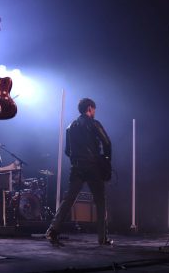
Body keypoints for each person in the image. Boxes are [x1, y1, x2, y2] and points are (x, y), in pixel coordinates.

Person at [45, 98, 112, 246]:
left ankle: (52, 231)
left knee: (68, 200)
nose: (94, 112)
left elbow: (67, 151)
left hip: (76, 167)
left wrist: (77, 159)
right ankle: (102, 238)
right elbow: (107, 142)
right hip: (93, 167)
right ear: (89, 108)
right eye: (94, 109)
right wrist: (106, 160)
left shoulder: (70, 126)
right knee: (100, 201)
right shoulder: (94, 123)